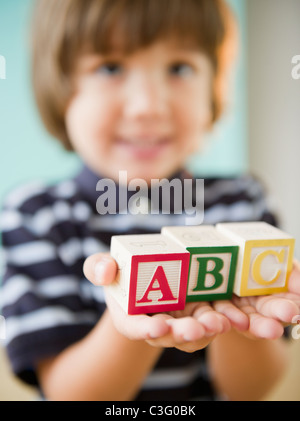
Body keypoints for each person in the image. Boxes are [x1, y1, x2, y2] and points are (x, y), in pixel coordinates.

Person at [1, 0, 300, 401]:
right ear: (60, 86)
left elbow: (253, 390)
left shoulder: (241, 201)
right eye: (110, 67)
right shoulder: (35, 215)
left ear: (213, 86)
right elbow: (68, 394)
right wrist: (134, 315)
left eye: (179, 68)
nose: (148, 106)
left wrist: (235, 312)